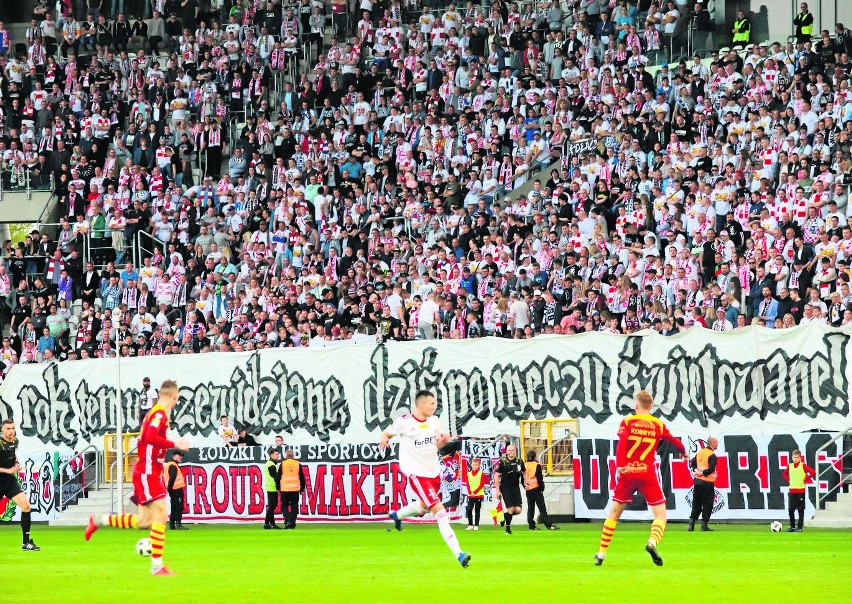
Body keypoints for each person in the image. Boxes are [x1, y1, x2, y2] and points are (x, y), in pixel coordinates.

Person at [86, 379, 189, 576]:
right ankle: (157, 566)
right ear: (175, 397)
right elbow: (150, 437)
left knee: (144, 522)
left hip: (149, 471)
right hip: (147, 472)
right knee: (161, 515)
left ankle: (99, 520)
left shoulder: (157, 413)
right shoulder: (158, 414)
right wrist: (174, 442)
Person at [594, 390, 686, 567]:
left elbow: (622, 444)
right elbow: (672, 440)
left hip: (628, 472)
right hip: (647, 473)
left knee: (614, 513)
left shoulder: (628, 421)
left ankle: (601, 554)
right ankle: (652, 542)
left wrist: (620, 465)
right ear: (651, 406)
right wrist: (683, 451)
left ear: (636, 405)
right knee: (661, 514)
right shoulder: (657, 424)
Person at [381, 390, 471, 568]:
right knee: (440, 511)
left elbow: (436, 445)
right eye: (431, 403)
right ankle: (459, 553)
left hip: (434, 473)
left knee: (423, 506)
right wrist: (383, 440)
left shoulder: (434, 421)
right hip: (417, 474)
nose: (434, 406)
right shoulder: (404, 422)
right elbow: (386, 433)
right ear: (420, 405)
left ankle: (397, 515)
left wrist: (444, 441)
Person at [0, 419, 40, 551]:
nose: (11, 431)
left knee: (26, 506)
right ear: (2, 430)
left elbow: (12, 456)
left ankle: (26, 543)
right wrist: (8, 470)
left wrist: (16, 464)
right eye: (8, 429)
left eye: (12, 428)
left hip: (9, 481)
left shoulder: (15, 441)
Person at [688, 437, 718, 532]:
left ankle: (691, 524)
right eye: (716, 442)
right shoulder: (712, 455)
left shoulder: (700, 452)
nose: (717, 444)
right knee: (707, 504)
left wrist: (696, 470)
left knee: (696, 503)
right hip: (707, 483)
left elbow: (692, 463)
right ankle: (704, 525)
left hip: (697, 483)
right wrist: (703, 473)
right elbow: (711, 469)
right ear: (712, 444)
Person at [494, 444, 524, 534]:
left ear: (515, 451)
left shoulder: (519, 461)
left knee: (518, 510)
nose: (511, 452)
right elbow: (497, 476)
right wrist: (498, 490)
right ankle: (507, 528)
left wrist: (525, 482)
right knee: (510, 508)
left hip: (515, 487)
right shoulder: (503, 461)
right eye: (509, 450)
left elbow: (524, 472)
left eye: (512, 450)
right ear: (506, 451)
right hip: (505, 487)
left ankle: (504, 517)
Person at [783, 449, 816, 532]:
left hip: (800, 490)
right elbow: (784, 474)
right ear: (792, 457)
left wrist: (805, 479)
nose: (795, 459)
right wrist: (789, 480)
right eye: (794, 457)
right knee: (791, 509)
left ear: (800, 457)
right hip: (792, 490)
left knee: (800, 510)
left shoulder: (803, 465)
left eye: (797, 457)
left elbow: (813, 472)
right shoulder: (790, 466)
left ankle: (800, 527)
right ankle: (792, 526)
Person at [524, 450, 558, 531]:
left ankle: (531, 525)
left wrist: (525, 486)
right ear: (535, 456)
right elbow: (539, 478)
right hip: (536, 488)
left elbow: (523, 478)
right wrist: (542, 488)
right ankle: (548, 525)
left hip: (528, 489)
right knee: (542, 508)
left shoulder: (524, 465)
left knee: (530, 507)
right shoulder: (537, 465)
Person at [279, 449, 306, 529]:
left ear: (285, 455)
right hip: (295, 489)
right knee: (294, 507)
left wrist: (278, 488)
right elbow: (302, 477)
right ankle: (292, 522)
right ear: (293, 455)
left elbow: (278, 477)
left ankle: (287, 521)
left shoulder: (283, 464)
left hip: (285, 489)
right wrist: (302, 488)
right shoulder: (297, 464)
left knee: (284, 506)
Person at [164, 450, 188, 530]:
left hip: (173, 489)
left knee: (174, 507)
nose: (181, 457)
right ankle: (178, 524)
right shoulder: (173, 465)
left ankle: (172, 524)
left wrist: (169, 489)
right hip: (176, 490)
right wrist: (170, 489)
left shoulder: (171, 465)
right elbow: (172, 478)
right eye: (179, 455)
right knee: (179, 507)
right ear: (174, 456)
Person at [463, 456, 485, 530]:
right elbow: (467, 484)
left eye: (476, 465)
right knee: (469, 509)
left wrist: (475, 492)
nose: (474, 466)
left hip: (478, 495)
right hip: (470, 495)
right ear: (471, 465)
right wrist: (470, 492)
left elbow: (482, 484)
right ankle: (470, 524)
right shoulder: (468, 474)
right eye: (473, 465)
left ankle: (476, 525)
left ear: (478, 465)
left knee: (477, 510)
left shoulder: (481, 473)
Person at [264, 448, 283, 530]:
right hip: (272, 487)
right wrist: (279, 487)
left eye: (278, 454)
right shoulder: (271, 464)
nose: (278, 455)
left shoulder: (271, 463)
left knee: (271, 506)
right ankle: (271, 523)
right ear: (271, 455)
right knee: (272, 506)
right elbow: (275, 477)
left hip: (271, 487)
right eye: (276, 454)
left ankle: (267, 524)